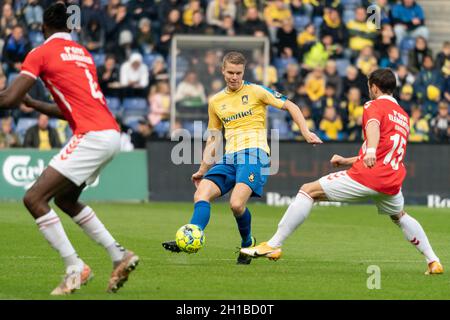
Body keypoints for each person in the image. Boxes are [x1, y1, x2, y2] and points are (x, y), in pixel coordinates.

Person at [241, 68, 444, 275]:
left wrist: (371, 149)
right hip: (391, 181)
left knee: (308, 191)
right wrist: (347, 161)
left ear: (374, 87)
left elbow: (373, 129)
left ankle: (274, 244)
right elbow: (386, 150)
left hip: (368, 176)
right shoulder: (403, 116)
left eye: (369, 86)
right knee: (399, 216)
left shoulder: (373, 106)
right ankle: (433, 261)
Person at [0, 3, 139, 295]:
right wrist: (35, 104)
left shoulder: (41, 52)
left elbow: (10, 99)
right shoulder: (83, 54)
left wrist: (18, 97)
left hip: (92, 135)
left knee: (33, 198)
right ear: (71, 26)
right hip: (111, 133)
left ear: (42, 28)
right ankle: (118, 255)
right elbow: (70, 109)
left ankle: (75, 267)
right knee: (65, 199)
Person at [162, 51, 322, 264]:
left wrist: (305, 131)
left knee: (236, 205)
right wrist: (202, 170)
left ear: (243, 71)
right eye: (230, 72)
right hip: (230, 157)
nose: (234, 77)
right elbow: (213, 138)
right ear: (223, 70)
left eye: (238, 72)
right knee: (201, 193)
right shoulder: (216, 101)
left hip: (254, 153)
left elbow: (291, 106)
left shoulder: (256, 91)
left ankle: (247, 243)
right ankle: (192, 235)